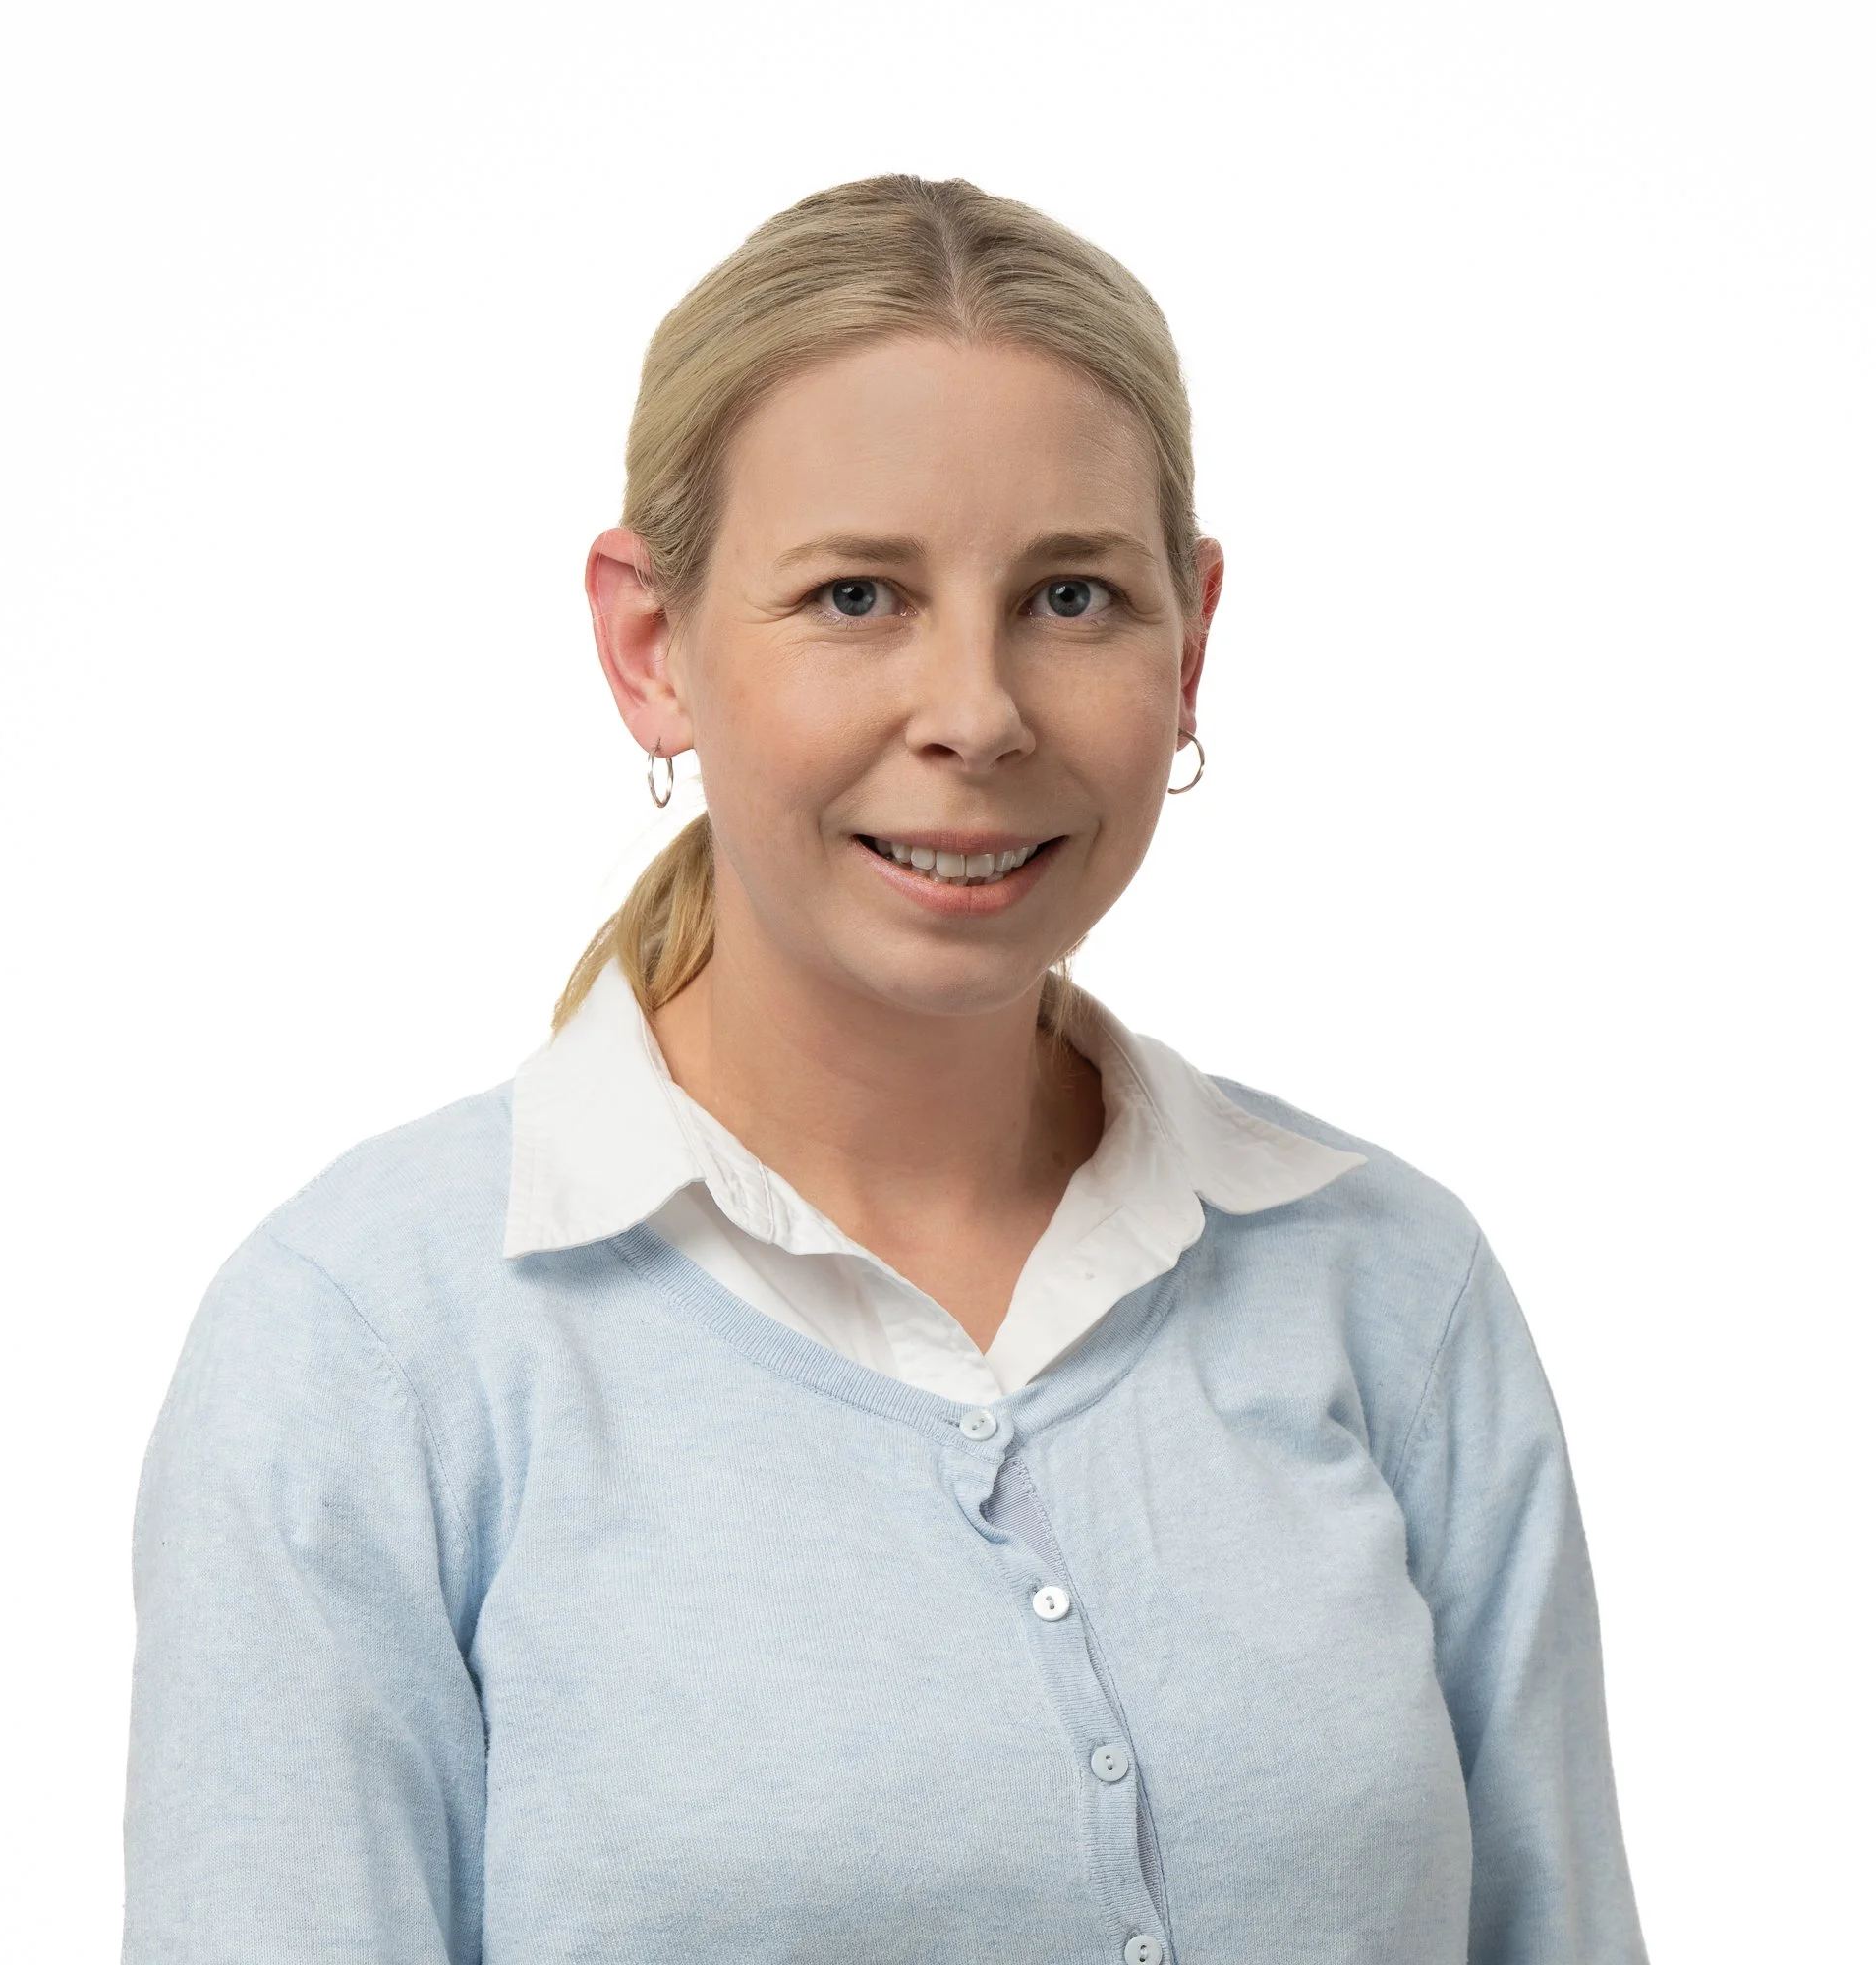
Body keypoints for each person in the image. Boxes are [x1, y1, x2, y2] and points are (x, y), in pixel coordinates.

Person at [124, 175, 1646, 1964]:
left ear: (1194, 642)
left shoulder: (1395, 1290)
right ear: (649, 647)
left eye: (1072, 596)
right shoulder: (373, 1347)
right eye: (857, 595)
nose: (979, 711)